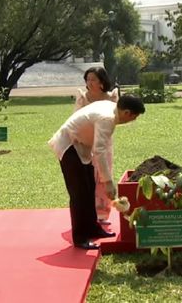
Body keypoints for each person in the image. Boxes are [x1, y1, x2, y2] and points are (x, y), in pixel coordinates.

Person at [48, 95, 146, 250]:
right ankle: (80, 237)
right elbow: (99, 150)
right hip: (68, 145)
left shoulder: (111, 107)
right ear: (127, 112)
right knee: (79, 193)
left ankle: (92, 228)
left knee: (89, 188)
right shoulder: (107, 119)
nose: (132, 120)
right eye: (134, 117)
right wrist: (108, 182)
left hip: (81, 147)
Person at [73, 66, 120, 225]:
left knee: (103, 175)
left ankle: (102, 214)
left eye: (93, 79)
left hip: (104, 143)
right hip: (85, 143)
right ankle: (88, 213)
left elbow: (115, 119)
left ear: (102, 82)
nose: (90, 82)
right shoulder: (82, 98)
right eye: (88, 79)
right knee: (87, 178)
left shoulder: (111, 98)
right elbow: (75, 120)